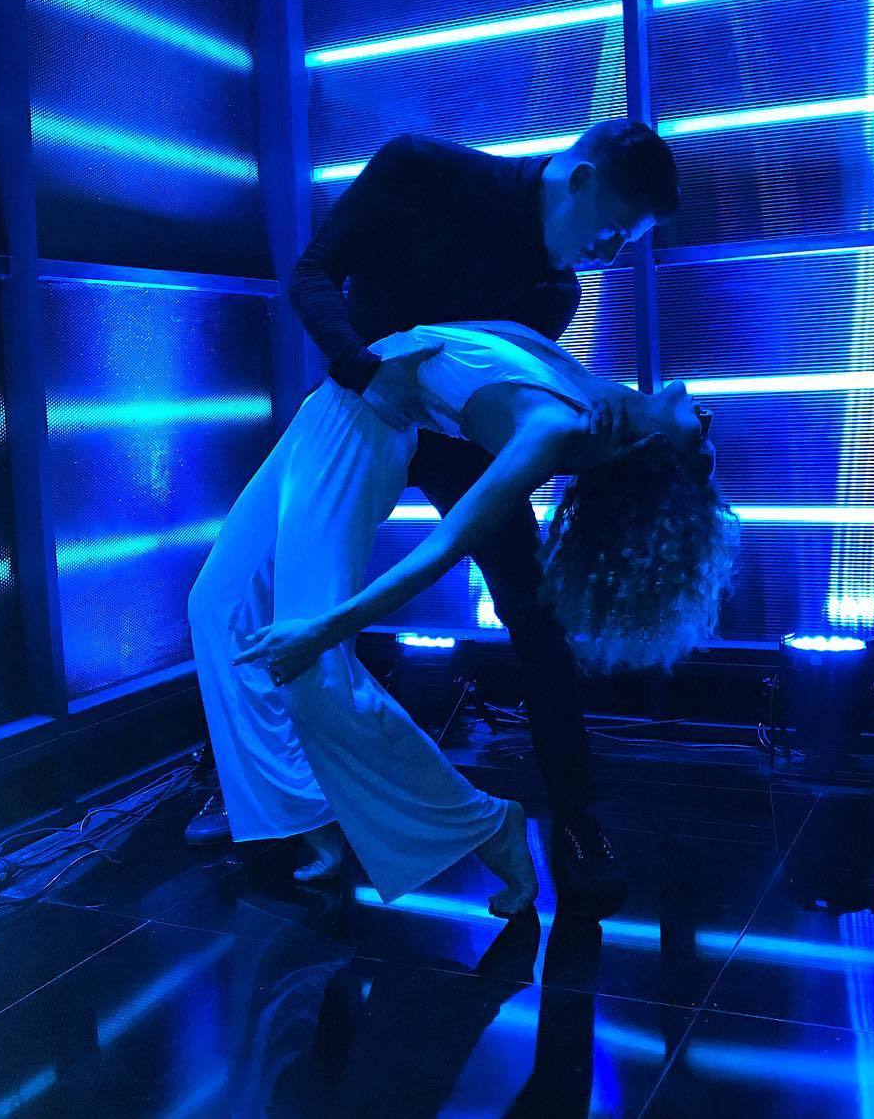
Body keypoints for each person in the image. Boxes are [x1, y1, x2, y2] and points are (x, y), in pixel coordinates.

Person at [185, 118, 694, 908]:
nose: (610, 253)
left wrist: (589, 405)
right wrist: (363, 368)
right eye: (616, 230)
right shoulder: (422, 170)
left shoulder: (557, 297)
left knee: (532, 612)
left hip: (448, 442)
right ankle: (293, 797)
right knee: (223, 602)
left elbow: (492, 371)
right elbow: (314, 274)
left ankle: (571, 820)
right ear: (583, 181)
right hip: (358, 406)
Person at [187, 311, 737, 917]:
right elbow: (482, 331)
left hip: (360, 432)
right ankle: (306, 806)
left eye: (701, 444)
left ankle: (487, 825)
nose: (708, 420)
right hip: (336, 403)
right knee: (217, 605)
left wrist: (327, 628)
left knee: (312, 668)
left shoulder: (554, 426)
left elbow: (446, 546)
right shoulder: (587, 393)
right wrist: (367, 361)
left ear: (652, 451)